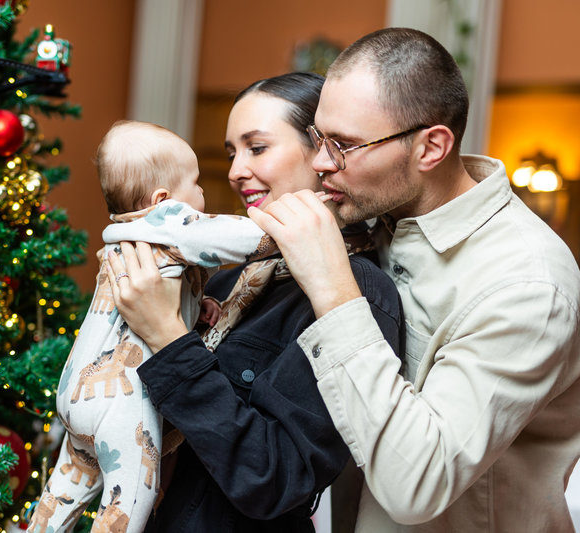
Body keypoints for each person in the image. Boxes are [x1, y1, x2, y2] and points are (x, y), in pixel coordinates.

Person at [247, 28, 580, 532]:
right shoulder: (374, 216)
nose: (320, 163)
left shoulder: (527, 284)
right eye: (320, 138)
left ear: (431, 148)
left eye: (345, 145)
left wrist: (333, 288)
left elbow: (416, 486)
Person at [105, 73, 403, 532]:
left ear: (322, 153)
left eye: (256, 148)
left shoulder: (353, 290)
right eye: (231, 152)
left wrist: (168, 336)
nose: (234, 170)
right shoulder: (223, 282)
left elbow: (275, 481)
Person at [31, 120, 280, 533]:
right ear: (163, 198)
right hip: (118, 400)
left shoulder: (122, 239)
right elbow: (247, 239)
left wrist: (197, 305)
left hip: (75, 392)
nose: (202, 194)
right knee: (129, 500)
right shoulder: (168, 223)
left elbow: (154, 297)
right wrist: (295, 225)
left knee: (61, 494)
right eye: (196, 183)